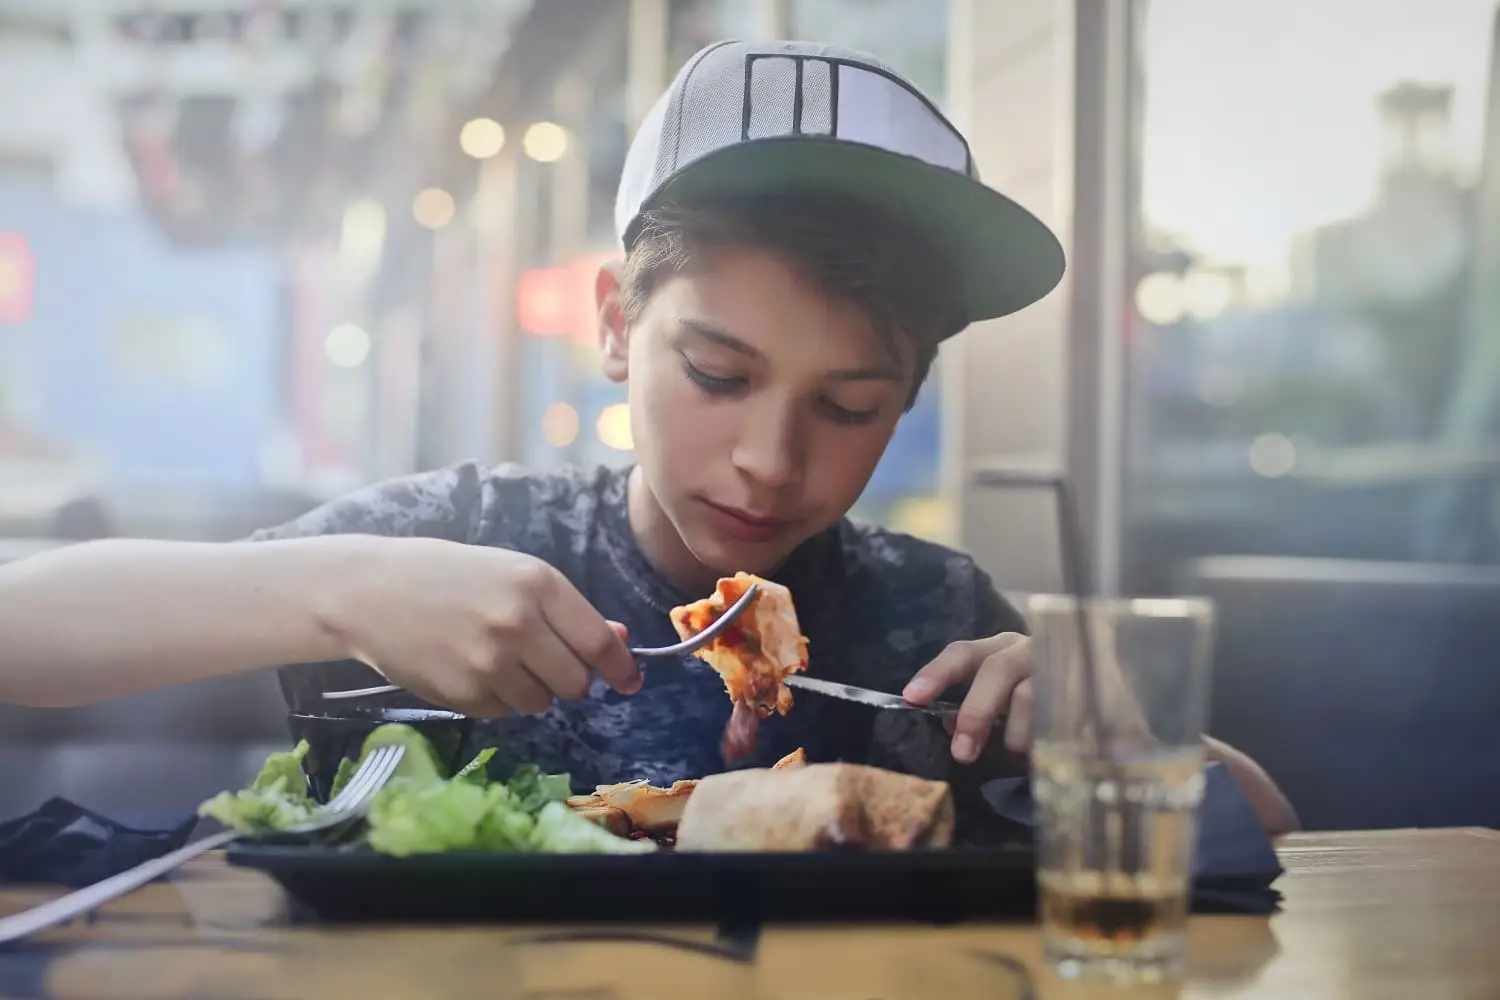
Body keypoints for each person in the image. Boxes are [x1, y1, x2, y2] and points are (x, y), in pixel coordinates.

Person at [0, 40, 1297, 838]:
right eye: (719, 374)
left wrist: (1107, 731)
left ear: (908, 397)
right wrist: (339, 587)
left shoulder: (936, 618)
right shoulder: (464, 540)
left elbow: (1265, 827)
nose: (771, 461)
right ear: (618, 326)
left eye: (849, 406)